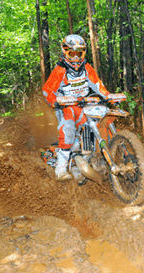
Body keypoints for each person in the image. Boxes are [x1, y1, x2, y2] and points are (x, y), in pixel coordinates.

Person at [42, 34, 110, 181]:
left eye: (79, 54)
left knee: (100, 121)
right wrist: (54, 101)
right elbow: (47, 90)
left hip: (84, 104)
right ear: (65, 52)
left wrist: (107, 95)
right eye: (72, 54)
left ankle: (100, 157)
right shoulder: (60, 70)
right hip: (66, 106)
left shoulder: (86, 67)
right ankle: (61, 168)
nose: (75, 58)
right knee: (68, 129)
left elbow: (97, 84)